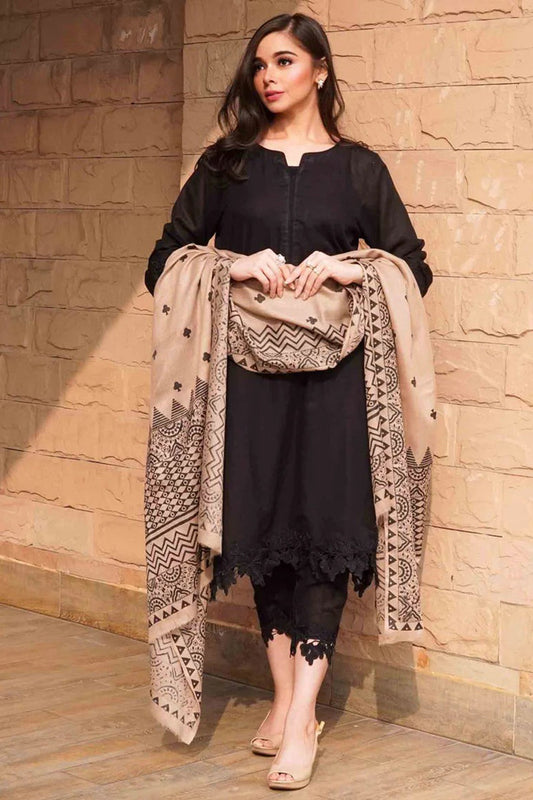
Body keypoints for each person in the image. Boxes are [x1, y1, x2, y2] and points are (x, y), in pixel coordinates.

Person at [145, 12, 433, 791]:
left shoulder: (359, 170)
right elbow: (164, 261)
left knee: (325, 536)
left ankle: (302, 717)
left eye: (283, 61)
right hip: (246, 381)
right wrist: (232, 267)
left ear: (319, 71)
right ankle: (284, 700)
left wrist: (351, 269)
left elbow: (412, 269)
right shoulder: (226, 165)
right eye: (259, 65)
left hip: (339, 387)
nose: (267, 77)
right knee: (263, 532)